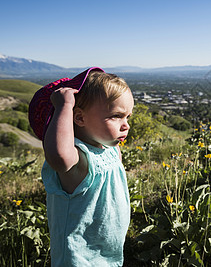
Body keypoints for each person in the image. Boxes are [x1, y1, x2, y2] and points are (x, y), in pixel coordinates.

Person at [28, 67, 134, 266]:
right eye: (116, 116)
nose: (126, 124)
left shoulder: (110, 149)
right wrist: (64, 106)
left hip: (107, 251)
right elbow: (58, 156)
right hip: (78, 256)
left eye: (128, 116)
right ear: (79, 118)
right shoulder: (78, 158)